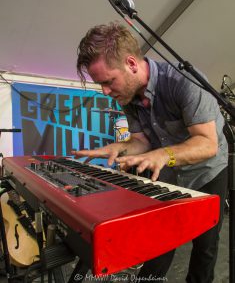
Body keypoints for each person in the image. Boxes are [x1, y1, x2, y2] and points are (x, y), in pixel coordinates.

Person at [72, 22, 228, 283]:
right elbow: (141, 141)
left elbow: (207, 144)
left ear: (131, 64)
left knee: (206, 246)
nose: (106, 91)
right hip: (169, 172)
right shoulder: (128, 94)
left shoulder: (183, 81)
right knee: (159, 242)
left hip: (207, 172)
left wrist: (162, 155)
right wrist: (120, 147)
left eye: (108, 82)